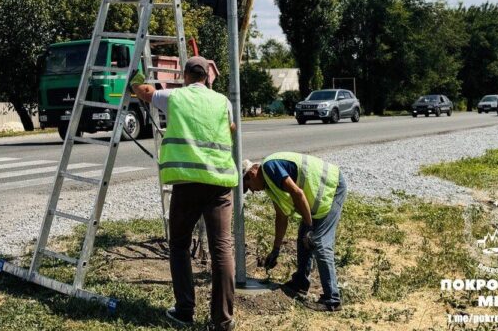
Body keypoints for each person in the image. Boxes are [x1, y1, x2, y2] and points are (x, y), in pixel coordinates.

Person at [130, 56, 237, 331]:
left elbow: (143, 92)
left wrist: (135, 74)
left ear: (185, 75)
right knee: (222, 248)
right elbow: (231, 129)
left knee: (179, 244)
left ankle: (185, 310)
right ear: (208, 77)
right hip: (221, 183)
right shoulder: (223, 102)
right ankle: (222, 321)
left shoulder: (174, 97)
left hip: (188, 183)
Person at [241, 153, 347, 312]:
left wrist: (310, 227)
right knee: (303, 238)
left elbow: (298, 193)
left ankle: (332, 300)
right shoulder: (270, 185)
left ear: (251, 173)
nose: (253, 191)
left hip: (332, 187)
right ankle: (300, 283)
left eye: (249, 187)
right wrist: (275, 250)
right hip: (316, 199)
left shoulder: (270, 168)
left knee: (319, 242)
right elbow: (281, 217)